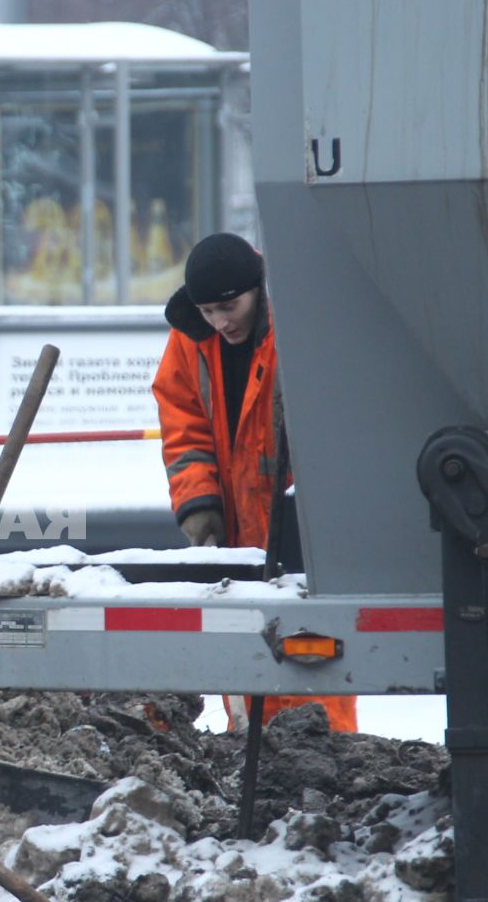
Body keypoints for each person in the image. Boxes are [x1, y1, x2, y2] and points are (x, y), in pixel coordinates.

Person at [153, 232, 358, 733]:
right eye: (207, 312)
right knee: (243, 656)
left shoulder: (299, 323)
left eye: (229, 306)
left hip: (304, 534)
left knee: (315, 662)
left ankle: (326, 755)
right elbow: (184, 428)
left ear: (258, 290)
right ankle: (251, 751)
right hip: (235, 536)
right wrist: (199, 506)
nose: (220, 323)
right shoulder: (189, 341)